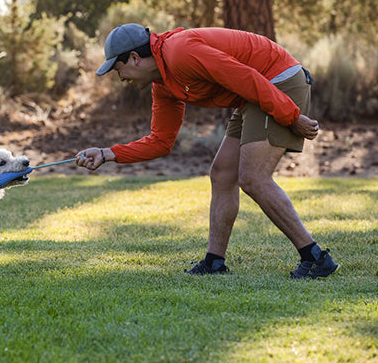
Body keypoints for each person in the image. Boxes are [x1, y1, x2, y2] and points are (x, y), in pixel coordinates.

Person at [75, 23, 338, 279]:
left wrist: (292, 117)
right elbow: (161, 141)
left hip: (277, 80)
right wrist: (107, 153)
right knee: (222, 173)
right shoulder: (164, 85)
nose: (121, 78)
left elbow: (244, 77)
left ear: (134, 58)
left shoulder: (180, 53)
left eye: (118, 69)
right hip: (255, 93)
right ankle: (214, 262)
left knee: (253, 177)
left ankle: (315, 257)